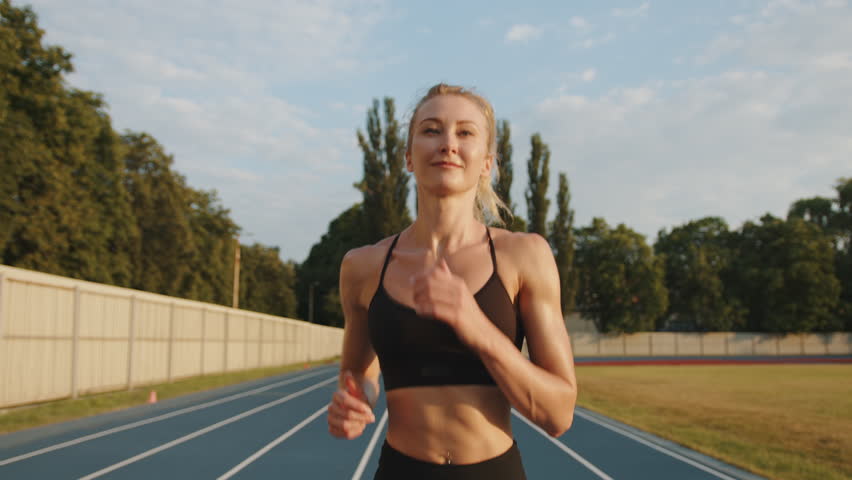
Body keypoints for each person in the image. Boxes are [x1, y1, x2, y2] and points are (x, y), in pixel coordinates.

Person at [327, 83, 577, 479]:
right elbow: (359, 373)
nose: (447, 143)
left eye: (465, 132)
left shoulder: (524, 256)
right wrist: (355, 402)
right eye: (431, 130)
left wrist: (476, 326)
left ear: (487, 163)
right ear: (409, 158)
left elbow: (559, 414)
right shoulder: (362, 266)